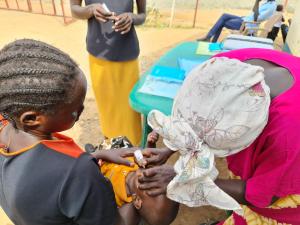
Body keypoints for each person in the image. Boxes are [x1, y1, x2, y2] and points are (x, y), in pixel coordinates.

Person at [137, 49, 300, 224]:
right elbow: (198, 117)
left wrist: (184, 178)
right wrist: (172, 146)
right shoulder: (220, 66)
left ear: (251, 131)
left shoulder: (289, 135)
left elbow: (266, 194)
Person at [0, 39, 139, 225]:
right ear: (31, 119)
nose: (82, 111)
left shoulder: (7, 127)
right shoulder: (78, 172)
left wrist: (93, 155)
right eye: (75, 110)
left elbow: (49, 182)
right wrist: (136, 196)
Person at [70, 0, 146, 146]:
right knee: (108, 110)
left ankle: (133, 148)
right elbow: (74, 9)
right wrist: (91, 9)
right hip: (99, 54)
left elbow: (142, 15)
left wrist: (131, 17)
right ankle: (112, 145)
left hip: (127, 53)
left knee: (129, 110)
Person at [96, 136, 178, 225]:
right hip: (118, 151)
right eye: (156, 178)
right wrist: (150, 144)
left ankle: (93, 150)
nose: (149, 175)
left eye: (150, 186)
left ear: (137, 200)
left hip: (99, 164)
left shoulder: (117, 196)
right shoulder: (142, 167)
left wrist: (97, 156)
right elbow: (146, 156)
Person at [198, 0, 277, 43]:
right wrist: (257, 3)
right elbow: (254, 11)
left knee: (222, 22)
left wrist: (257, 2)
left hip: (247, 25)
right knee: (224, 15)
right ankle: (209, 37)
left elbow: (256, 18)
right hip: (245, 19)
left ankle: (211, 40)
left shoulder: (271, 7)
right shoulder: (268, 2)